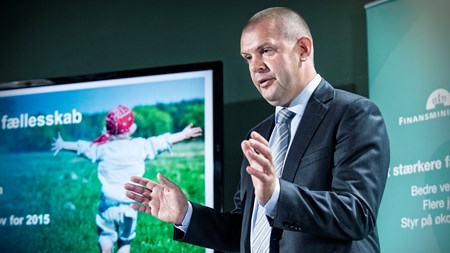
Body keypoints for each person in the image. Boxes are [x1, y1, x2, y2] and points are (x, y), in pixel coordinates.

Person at [124, 7, 390, 253]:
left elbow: (357, 215)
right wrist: (186, 215)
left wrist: (277, 195)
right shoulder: (259, 134)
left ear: (303, 49)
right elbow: (245, 232)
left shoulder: (352, 114)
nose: (255, 66)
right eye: (248, 57)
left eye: (266, 51)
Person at [52, 104, 202, 253]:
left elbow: (83, 147)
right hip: (129, 206)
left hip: (107, 205)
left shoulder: (102, 149)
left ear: (109, 130)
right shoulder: (140, 146)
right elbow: (162, 141)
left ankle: (106, 250)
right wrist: (183, 135)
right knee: (125, 243)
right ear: (131, 129)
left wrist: (63, 144)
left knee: (105, 236)